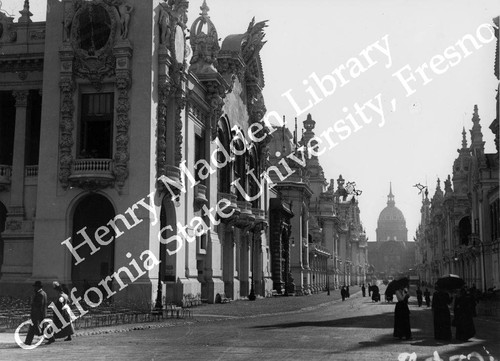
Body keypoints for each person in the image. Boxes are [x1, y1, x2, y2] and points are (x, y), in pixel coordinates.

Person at [25, 281, 47, 346]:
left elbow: (39, 304)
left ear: (37, 287)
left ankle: (28, 341)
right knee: (44, 326)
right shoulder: (44, 293)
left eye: (35, 287)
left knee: (32, 327)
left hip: (37, 313)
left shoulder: (40, 294)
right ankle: (51, 338)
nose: (34, 288)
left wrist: (32, 302)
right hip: (41, 313)